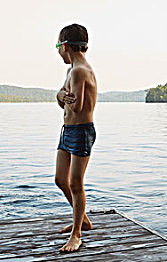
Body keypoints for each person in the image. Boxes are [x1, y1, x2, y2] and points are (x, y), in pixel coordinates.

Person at [54, 23, 97, 252]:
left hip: (81, 132)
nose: (58, 51)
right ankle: (84, 220)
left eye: (57, 46)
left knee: (75, 184)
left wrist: (67, 96)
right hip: (67, 131)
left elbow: (78, 106)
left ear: (65, 46)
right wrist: (60, 94)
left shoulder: (80, 71)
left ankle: (76, 234)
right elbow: (62, 98)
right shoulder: (71, 71)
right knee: (60, 179)